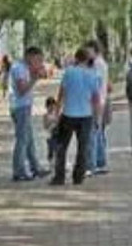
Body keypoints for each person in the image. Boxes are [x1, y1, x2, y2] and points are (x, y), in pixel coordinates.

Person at [50, 48, 102, 186]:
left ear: (76, 58)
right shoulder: (93, 75)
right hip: (86, 115)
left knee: (62, 146)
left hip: (69, 114)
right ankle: (78, 176)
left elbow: (61, 94)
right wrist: (97, 117)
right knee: (82, 147)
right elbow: (96, 99)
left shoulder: (69, 72)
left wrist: (57, 113)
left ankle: (59, 176)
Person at [8, 46, 48, 182]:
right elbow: (22, 89)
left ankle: (35, 167)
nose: (39, 63)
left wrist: (35, 73)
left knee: (29, 139)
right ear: (30, 56)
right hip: (20, 107)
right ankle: (19, 171)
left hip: (24, 106)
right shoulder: (19, 68)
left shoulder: (24, 67)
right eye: (38, 60)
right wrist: (34, 78)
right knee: (22, 139)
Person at [84, 40, 109, 176]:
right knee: (98, 131)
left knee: (92, 132)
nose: (87, 54)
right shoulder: (102, 63)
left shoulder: (96, 64)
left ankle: (91, 163)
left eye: (89, 51)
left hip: (96, 102)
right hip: (101, 100)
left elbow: (95, 84)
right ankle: (100, 161)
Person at [43, 96, 60, 162]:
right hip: (50, 136)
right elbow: (45, 126)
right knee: (51, 150)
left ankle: (57, 162)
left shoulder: (56, 114)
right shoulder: (45, 115)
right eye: (50, 106)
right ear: (46, 107)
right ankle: (51, 161)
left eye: (53, 106)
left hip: (57, 134)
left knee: (57, 149)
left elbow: (60, 123)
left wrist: (57, 121)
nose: (52, 108)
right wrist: (51, 122)